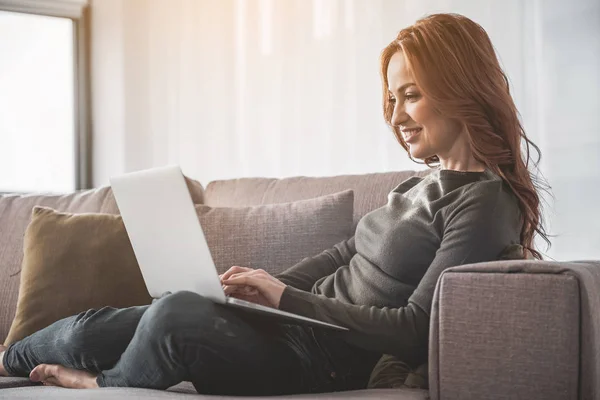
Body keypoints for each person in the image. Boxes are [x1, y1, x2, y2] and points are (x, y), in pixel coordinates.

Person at [0, 13, 549, 395]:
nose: (397, 114)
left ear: (460, 88)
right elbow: (343, 256)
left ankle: (102, 385)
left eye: (411, 94)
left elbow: (413, 326)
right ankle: (7, 360)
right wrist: (253, 289)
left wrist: (284, 298)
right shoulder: (416, 187)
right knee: (91, 328)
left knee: (173, 317)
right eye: (392, 97)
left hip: (320, 361)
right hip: (283, 328)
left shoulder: (484, 203)